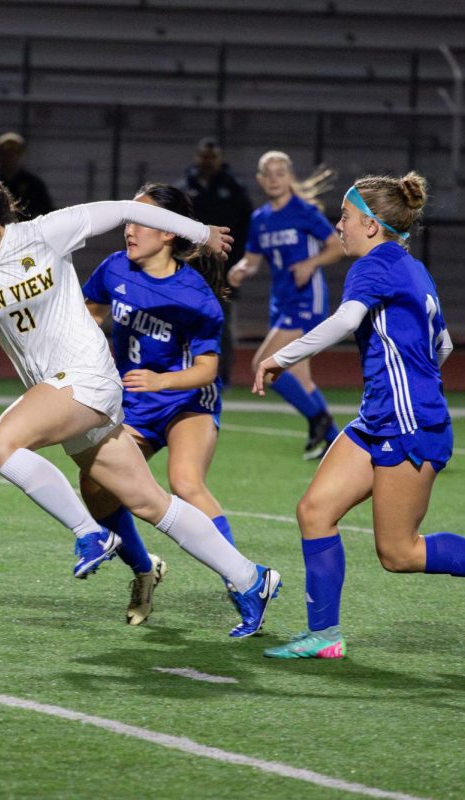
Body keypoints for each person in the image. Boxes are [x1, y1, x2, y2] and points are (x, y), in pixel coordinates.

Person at [0, 173, 281, 638]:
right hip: (58, 391)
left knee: (0, 444)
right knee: (150, 502)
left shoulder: (43, 233)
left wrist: (200, 232)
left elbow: (128, 207)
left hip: (87, 377)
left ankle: (90, 534)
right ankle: (251, 578)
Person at [252, 171, 465, 660]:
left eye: (345, 218)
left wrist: (280, 358)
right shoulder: (411, 267)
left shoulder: (372, 265)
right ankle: (324, 635)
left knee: (399, 553)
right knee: (314, 512)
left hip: (409, 426)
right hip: (380, 418)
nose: (338, 227)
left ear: (371, 225)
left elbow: (347, 321)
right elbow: (444, 344)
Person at [81, 183, 237, 626]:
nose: (128, 229)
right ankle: (143, 569)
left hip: (187, 399)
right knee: (95, 482)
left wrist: (161, 380)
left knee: (184, 481)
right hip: (137, 401)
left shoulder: (195, 294)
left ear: (168, 232)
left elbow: (207, 369)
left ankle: (241, 579)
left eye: (140, 221)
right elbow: (92, 310)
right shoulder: (114, 269)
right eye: (127, 219)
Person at [228, 150, 345, 460]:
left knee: (262, 366)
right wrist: (240, 269)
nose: (275, 179)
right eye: (269, 174)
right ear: (260, 180)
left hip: (306, 299)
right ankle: (334, 441)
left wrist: (311, 262)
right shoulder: (260, 219)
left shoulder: (304, 211)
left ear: (290, 177)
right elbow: (252, 261)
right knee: (300, 378)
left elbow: (337, 246)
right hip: (280, 302)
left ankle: (319, 420)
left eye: (281, 173)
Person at [0, 131, 56, 373]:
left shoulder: (34, 185)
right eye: (5, 153)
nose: (10, 158)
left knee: (32, 302)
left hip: (26, 254)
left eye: (14, 153)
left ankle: (37, 356)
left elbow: (47, 217)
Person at [175, 138, 253, 389]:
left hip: (222, 270)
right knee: (181, 320)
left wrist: (237, 262)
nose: (207, 161)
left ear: (219, 158)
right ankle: (183, 371)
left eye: (212, 156)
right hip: (186, 269)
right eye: (203, 156)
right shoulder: (182, 189)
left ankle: (220, 377)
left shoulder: (234, 190)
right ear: (196, 157)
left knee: (221, 323)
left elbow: (246, 230)